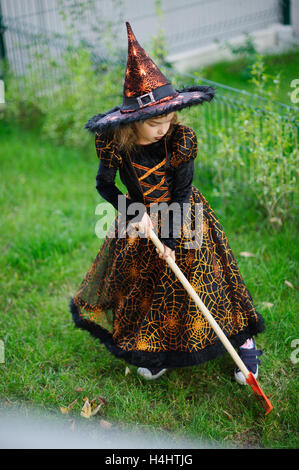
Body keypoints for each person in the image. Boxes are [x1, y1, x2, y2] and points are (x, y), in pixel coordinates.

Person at [70, 22, 264, 384]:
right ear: (135, 122)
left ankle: (242, 341)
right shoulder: (115, 143)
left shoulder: (180, 140)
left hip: (185, 216)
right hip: (141, 222)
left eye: (168, 119)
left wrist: (172, 244)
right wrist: (132, 212)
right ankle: (157, 348)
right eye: (155, 123)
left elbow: (182, 193)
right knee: (148, 290)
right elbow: (103, 185)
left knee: (205, 281)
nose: (163, 128)